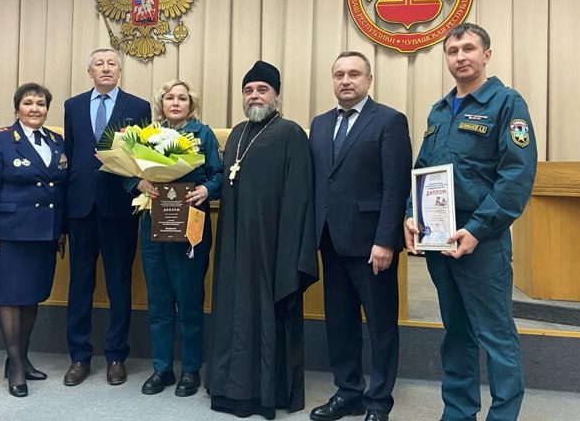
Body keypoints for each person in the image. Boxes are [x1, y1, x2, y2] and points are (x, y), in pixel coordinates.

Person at [403, 23, 537, 421]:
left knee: (495, 336)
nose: (460, 56)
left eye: (468, 48)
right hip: (439, 241)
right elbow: (423, 170)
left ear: (486, 55)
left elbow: (516, 176)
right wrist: (412, 215)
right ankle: (458, 412)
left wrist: (478, 230)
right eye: (452, 50)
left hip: (483, 242)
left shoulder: (507, 104)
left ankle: (503, 415)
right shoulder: (439, 111)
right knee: (456, 333)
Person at [205, 60, 319, 419]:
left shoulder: (290, 133)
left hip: (272, 247)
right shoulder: (237, 133)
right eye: (249, 90)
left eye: (262, 89)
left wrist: (290, 252)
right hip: (235, 244)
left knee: (265, 314)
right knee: (232, 311)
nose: (254, 95)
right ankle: (228, 387)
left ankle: (265, 391)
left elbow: (301, 195)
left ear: (277, 95)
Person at [309, 52, 412, 421]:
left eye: (354, 74)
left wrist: (386, 240)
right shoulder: (320, 124)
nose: (346, 80)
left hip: (372, 244)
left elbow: (395, 186)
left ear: (369, 79)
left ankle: (379, 402)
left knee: (381, 324)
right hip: (330, 241)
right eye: (339, 74)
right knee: (340, 322)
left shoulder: (388, 121)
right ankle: (348, 391)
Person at [127, 80, 223, 397]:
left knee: (189, 299)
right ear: (161, 103)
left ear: (191, 104)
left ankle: (191, 369)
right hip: (153, 222)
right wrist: (137, 183)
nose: (176, 102)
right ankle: (162, 368)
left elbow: (218, 173)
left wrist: (206, 189)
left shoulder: (203, 134)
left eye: (182, 98)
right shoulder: (147, 136)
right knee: (159, 299)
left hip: (190, 223)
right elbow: (126, 170)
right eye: (170, 97)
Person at [62, 48, 151, 387]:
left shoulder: (138, 107)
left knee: (119, 284)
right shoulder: (72, 106)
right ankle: (79, 357)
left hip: (119, 207)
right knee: (79, 285)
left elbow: (143, 157)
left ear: (120, 70)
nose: (106, 68)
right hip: (81, 208)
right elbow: (69, 156)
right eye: (99, 64)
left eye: (112, 63)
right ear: (90, 72)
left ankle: (116, 355)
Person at [0, 83, 67, 397]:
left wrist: (62, 230)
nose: (35, 109)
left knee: (32, 297)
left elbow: (61, 188)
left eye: (41, 104)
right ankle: (14, 366)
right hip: (10, 233)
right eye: (28, 103)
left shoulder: (57, 141)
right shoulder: (0, 139)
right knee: (11, 298)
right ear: (17, 108)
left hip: (44, 233)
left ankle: (22, 357)